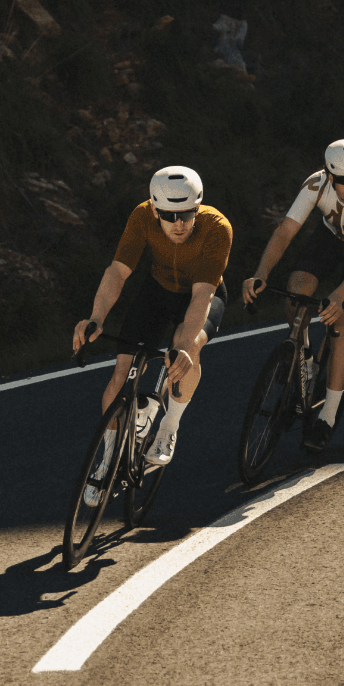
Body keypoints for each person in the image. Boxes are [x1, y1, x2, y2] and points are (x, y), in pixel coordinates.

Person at [72, 166, 231, 485]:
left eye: (186, 214)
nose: (179, 224)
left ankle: (169, 427)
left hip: (202, 295)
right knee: (121, 372)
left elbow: (202, 294)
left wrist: (183, 346)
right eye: (169, 216)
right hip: (158, 291)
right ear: (155, 209)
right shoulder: (142, 216)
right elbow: (117, 272)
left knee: (187, 349)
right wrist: (97, 317)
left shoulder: (217, 227)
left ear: (197, 208)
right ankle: (109, 456)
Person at [240, 138, 344, 452]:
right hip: (329, 237)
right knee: (296, 292)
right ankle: (306, 358)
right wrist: (261, 273)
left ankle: (327, 417)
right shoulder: (315, 185)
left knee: (342, 326)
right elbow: (285, 232)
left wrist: (338, 296)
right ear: (330, 175)